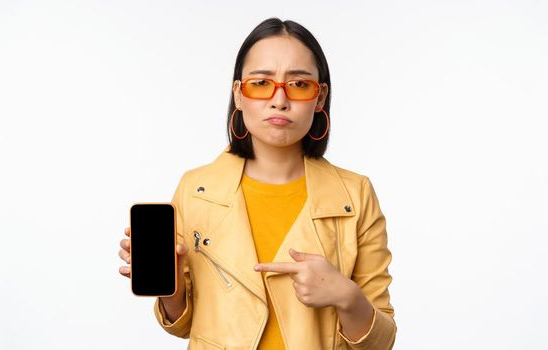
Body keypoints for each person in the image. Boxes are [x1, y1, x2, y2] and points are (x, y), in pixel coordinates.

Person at [119, 17, 396, 349]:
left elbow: (381, 342)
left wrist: (346, 296)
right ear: (238, 93)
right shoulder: (196, 190)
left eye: (299, 84)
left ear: (320, 98)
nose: (279, 100)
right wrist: (173, 287)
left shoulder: (355, 194)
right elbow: (183, 326)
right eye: (261, 83)